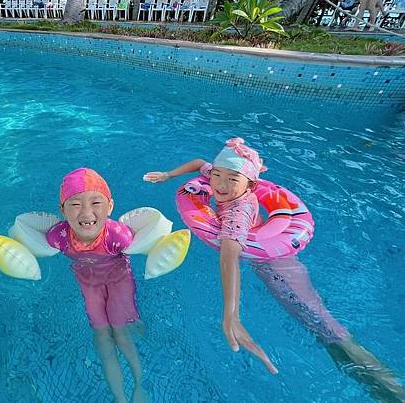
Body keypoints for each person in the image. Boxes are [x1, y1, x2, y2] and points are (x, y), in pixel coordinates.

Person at [144, 138, 405, 399]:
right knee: (321, 324)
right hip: (278, 258)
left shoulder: (237, 214)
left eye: (232, 179)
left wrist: (231, 314)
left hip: (278, 272)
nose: (220, 184)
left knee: (325, 327)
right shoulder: (221, 177)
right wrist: (168, 174)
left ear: (251, 185)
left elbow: (229, 257)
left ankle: (388, 387)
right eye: (217, 175)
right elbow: (200, 163)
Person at [46, 168, 148, 403]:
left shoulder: (118, 236)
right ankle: (120, 397)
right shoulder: (58, 237)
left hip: (119, 280)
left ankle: (139, 384)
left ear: (110, 206)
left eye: (95, 203)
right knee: (102, 334)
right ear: (62, 210)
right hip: (89, 285)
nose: (86, 212)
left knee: (120, 330)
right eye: (75, 205)